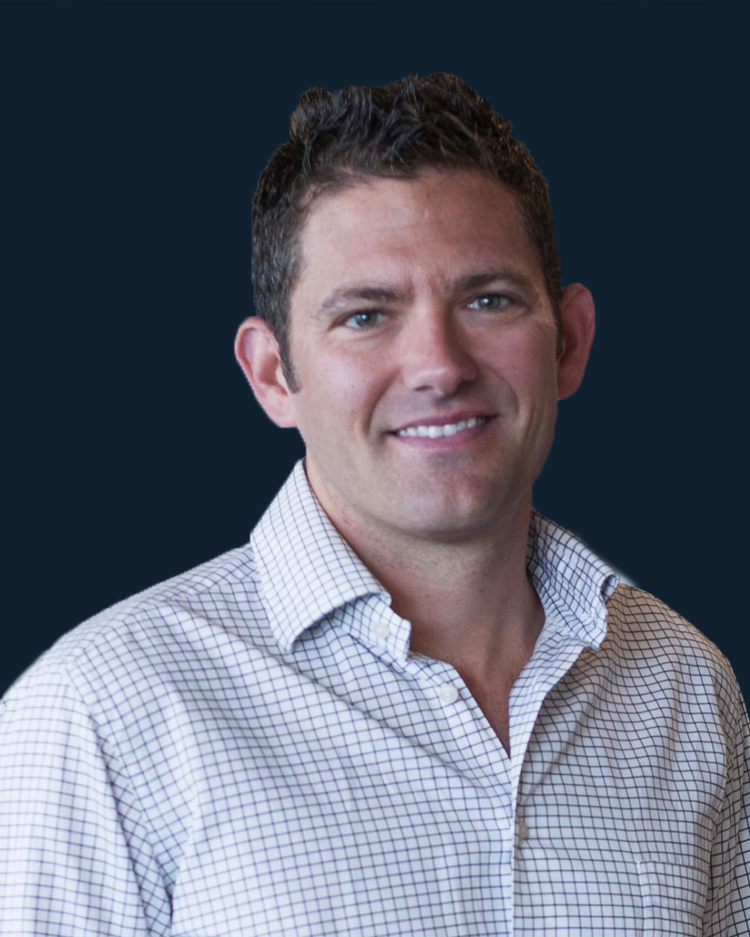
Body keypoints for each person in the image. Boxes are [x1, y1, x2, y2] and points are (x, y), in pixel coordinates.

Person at [1, 72, 747, 936]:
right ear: (274, 372)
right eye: (365, 315)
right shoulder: (100, 714)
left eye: (488, 299)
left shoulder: (687, 688)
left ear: (570, 342)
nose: (439, 364)